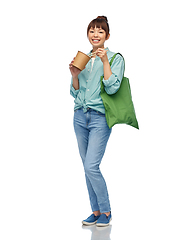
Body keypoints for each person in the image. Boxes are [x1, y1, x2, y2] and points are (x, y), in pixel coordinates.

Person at [69, 16, 124, 227]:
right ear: (88, 34)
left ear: (107, 36)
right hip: (80, 116)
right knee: (87, 166)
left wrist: (104, 61)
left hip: (100, 117)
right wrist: (75, 75)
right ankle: (96, 210)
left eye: (100, 31)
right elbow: (74, 92)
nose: (95, 35)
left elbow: (112, 87)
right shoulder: (83, 58)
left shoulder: (115, 58)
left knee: (92, 166)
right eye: (92, 31)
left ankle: (107, 212)